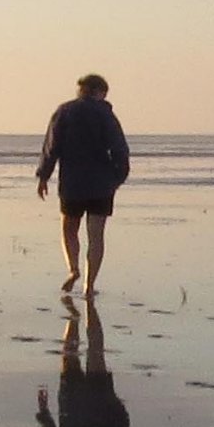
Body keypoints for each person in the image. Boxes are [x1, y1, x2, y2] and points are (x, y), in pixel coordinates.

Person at [35, 74, 131, 299]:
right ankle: (89, 285)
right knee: (96, 234)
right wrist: (117, 178)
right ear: (101, 92)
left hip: (72, 182)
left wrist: (43, 176)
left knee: (69, 227)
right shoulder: (106, 115)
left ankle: (73, 268)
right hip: (101, 183)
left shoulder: (64, 111)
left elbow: (51, 147)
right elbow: (120, 149)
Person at [36, 300, 130, 427]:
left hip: (99, 400)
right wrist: (44, 414)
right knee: (70, 354)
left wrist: (115, 404)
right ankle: (74, 315)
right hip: (73, 403)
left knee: (96, 350)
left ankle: (85, 309)